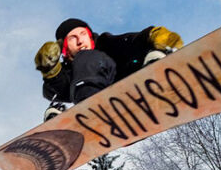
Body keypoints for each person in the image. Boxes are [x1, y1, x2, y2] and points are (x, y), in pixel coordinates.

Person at [34, 18, 184, 120]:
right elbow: (55, 91)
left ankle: (157, 66)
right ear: (64, 48)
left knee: (135, 51)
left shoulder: (106, 44)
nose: (80, 41)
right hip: (109, 113)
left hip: (132, 91)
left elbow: (129, 42)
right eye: (72, 38)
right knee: (81, 64)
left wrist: (150, 35)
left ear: (90, 36)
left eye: (83, 34)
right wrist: (50, 71)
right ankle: (84, 114)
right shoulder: (68, 73)